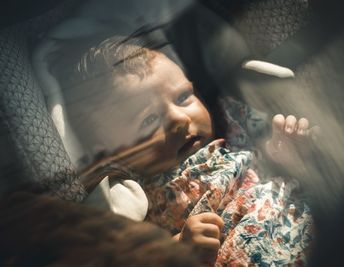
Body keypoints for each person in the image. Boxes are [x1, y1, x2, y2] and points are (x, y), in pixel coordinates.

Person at [61, 35, 318, 266]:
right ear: (113, 155)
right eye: (149, 120)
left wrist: (286, 158)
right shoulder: (127, 194)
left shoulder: (233, 126)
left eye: (183, 97)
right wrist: (176, 247)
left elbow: (277, 179)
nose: (178, 119)